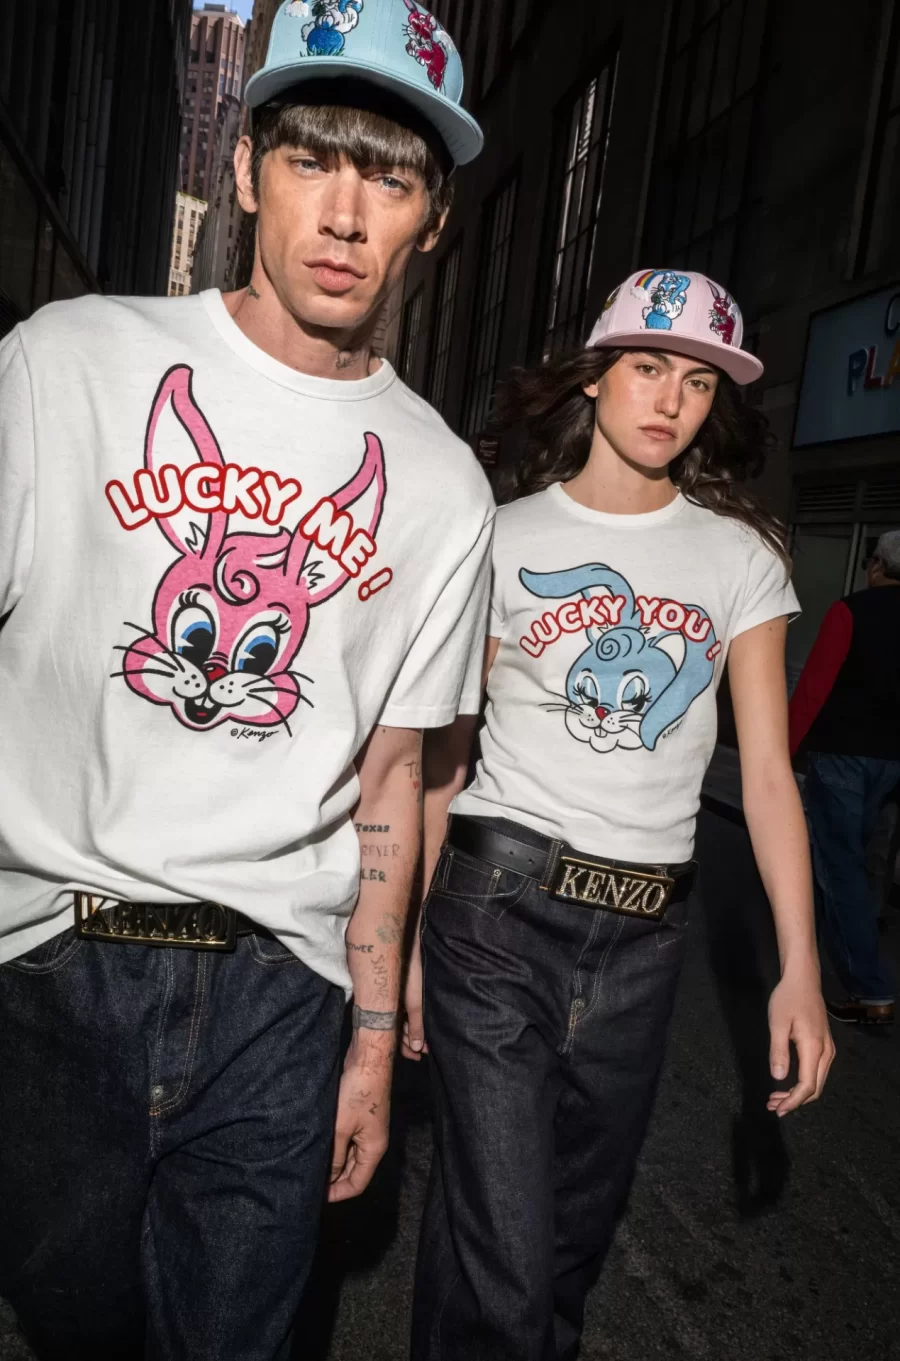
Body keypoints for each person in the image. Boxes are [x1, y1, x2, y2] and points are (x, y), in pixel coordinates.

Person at [0, 4, 493, 1358]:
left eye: (388, 178)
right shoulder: (67, 362)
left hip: (281, 989)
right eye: (310, 159)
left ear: (432, 221)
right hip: (48, 961)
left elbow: (393, 781)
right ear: (244, 170)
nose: (344, 212)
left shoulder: (443, 485)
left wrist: (373, 1048)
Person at [402, 269, 835, 1361]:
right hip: (495, 913)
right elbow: (443, 761)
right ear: (596, 376)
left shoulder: (742, 556)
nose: (670, 400)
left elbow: (768, 775)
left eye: (698, 381)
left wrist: (801, 968)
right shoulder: (500, 537)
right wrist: (400, 945)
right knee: (506, 1254)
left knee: (561, 1251)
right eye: (648, 367)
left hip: (645, 941)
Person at [789, 529, 900, 1025]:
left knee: (840, 865)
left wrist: (782, 750)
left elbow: (815, 685)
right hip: (894, 763)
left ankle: (868, 987)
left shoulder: (850, 611)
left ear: (877, 565)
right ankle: (840, 943)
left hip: (844, 753)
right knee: (868, 857)